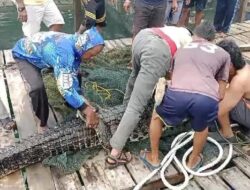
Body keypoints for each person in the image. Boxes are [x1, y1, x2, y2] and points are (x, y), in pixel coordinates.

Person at [139, 22, 231, 170]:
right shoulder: (224, 54)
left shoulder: (180, 50)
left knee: (157, 117)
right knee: (202, 127)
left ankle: (154, 158)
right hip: (206, 99)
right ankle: (192, 161)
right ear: (212, 39)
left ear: (195, 35)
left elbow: (172, 77)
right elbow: (220, 94)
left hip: (177, 95)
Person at [105, 25, 193, 168]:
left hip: (142, 37)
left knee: (134, 76)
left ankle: (123, 113)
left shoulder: (175, 30)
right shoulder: (189, 43)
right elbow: (174, 75)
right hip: (157, 52)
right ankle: (114, 155)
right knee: (136, 107)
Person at [12, 27, 104, 133]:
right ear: (84, 48)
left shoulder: (77, 44)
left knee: (76, 74)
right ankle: (42, 123)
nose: (92, 58)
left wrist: (81, 100)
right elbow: (65, 89)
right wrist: (87, 109)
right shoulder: (65, 54)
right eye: (92, 54)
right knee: (37, 87)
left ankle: (74, 104)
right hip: (24, 55)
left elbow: (72, 74)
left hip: (44, 52)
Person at [217, 39, 250, 139]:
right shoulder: (246, 66)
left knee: (218, 101)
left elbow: (220, 111)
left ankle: (227, 133)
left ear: (230, 65)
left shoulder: (239, 80)